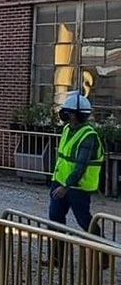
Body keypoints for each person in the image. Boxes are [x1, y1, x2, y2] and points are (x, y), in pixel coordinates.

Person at [49, 91, 105, 231]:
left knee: (84, 220)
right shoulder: (68, 129)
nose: (63, 114)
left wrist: (66, 186)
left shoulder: (88, 135)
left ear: (75, 114)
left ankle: (104, 251)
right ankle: (57, 252)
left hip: (77, 187)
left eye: (66, 111)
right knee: (55, 218)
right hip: (60, 181)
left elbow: (81, 165)